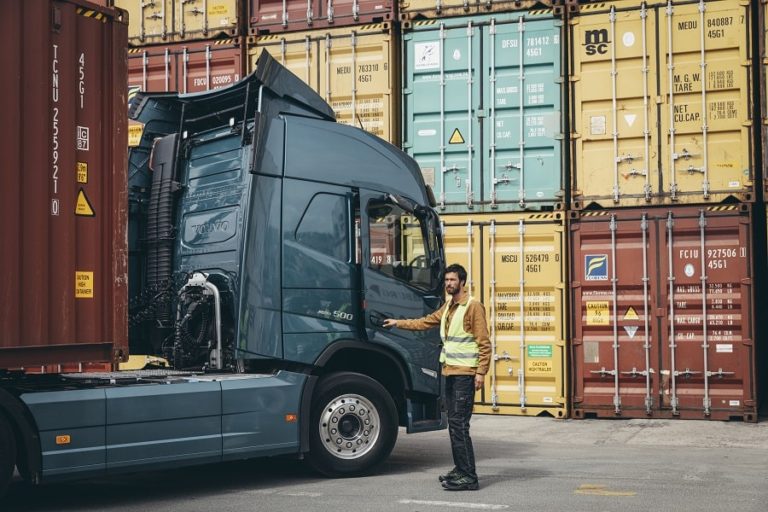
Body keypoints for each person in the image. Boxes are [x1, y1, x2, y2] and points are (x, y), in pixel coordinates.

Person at [383, 263, 491, 491]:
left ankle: (469, 476)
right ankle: (461, 469)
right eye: (446, 281)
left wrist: (481, 372)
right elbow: (425, 321)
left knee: (460, 425)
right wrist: (397, 323)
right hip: (450, 373)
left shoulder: (473, 307)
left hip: (465, 375)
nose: (449, 284)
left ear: (462, 282)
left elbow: (484, 343)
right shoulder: (449, 307)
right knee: (454, 424)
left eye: (452, 280)